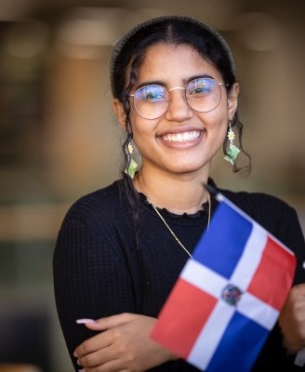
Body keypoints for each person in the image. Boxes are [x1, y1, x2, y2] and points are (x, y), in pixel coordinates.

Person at [53, 15, 305, 371]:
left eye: (200, 88)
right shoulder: (95, 224)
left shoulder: (271, 221)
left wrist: (167, 341)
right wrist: (264, 330)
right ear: (123, 114)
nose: (179, 111)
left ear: (231, 100)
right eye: (152, 94)